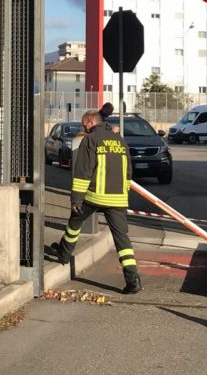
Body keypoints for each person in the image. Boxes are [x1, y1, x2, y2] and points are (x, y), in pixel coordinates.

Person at [49, 110, 142, 294]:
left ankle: (64, 254)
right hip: (118, 198)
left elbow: (83, 171)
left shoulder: (90, 140)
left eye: (84, 125)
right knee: (121, 238)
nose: (83, 128)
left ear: (91, 122)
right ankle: (133, 280)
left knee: (75, 221)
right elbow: (129, 171)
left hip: (95, 196)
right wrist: (124, 192)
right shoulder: (119, 140)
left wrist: (76, 199)